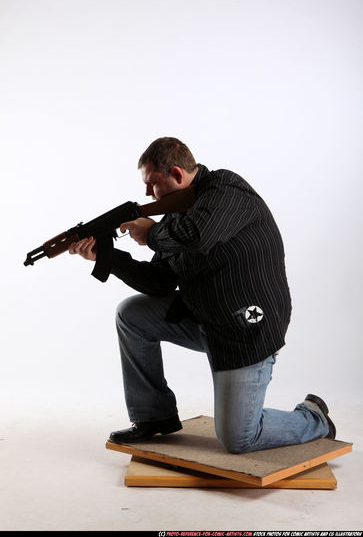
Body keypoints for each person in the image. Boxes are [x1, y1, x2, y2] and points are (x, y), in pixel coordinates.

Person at [69, 137, 335, 453]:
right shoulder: (175, 215)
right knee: (131, 314)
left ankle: (314, 418)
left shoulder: (227, 189)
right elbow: (159, 283)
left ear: (177, 174)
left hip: (245, 331)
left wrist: (151, 233)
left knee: (238, 439)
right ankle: (154, 418)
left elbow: (198, 237)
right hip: (205, 318)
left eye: (152, 184)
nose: (146, 194)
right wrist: (106, 257)